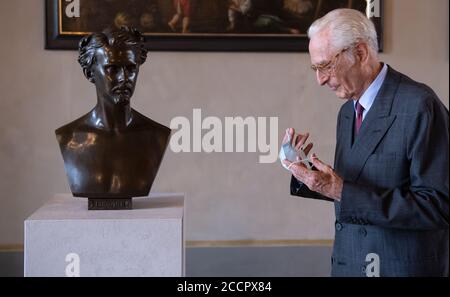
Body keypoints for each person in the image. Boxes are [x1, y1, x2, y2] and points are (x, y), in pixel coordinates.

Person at [282, 9, 449, 276]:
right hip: (350, 264)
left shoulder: (420, 105)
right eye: (315, 68)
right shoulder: (348, 111)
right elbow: (356, 185)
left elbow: (437, 206)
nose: (320, 79)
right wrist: (307, 172)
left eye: (325, 66)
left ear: (360, 53)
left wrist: (341, 191)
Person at [55, 27, 171, 207]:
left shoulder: (156, 135)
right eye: (112, 69)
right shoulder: (68, 137)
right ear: (90, 73)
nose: (124, 78)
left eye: (131, 68)